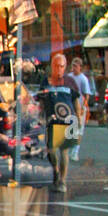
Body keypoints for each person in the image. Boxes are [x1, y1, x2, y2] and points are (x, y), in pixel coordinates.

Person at [39, 52, 82, 193]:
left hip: (67, 121)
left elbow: (76, 101)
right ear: (52, 67)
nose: (59, 69)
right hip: (52, 121)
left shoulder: (70, 82)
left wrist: (79, 119)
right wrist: (39, 116)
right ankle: (56, 170)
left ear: (65, 68)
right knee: (51, 151)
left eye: (62, 66)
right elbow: (41, 101)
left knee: (64, 152)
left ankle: (62, 181)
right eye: (56, 66)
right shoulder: (46, 82)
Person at [69, 57, 94, 161]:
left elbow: (86, 94)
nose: (74, 68)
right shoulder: (69, 77)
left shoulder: (83, 79)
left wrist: (83, 107)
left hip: (79, 107)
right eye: (73, 66)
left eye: (76, 66)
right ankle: (69, 149)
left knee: (79, 129)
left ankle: (75, 152)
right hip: (69, 106)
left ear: (80, 67)